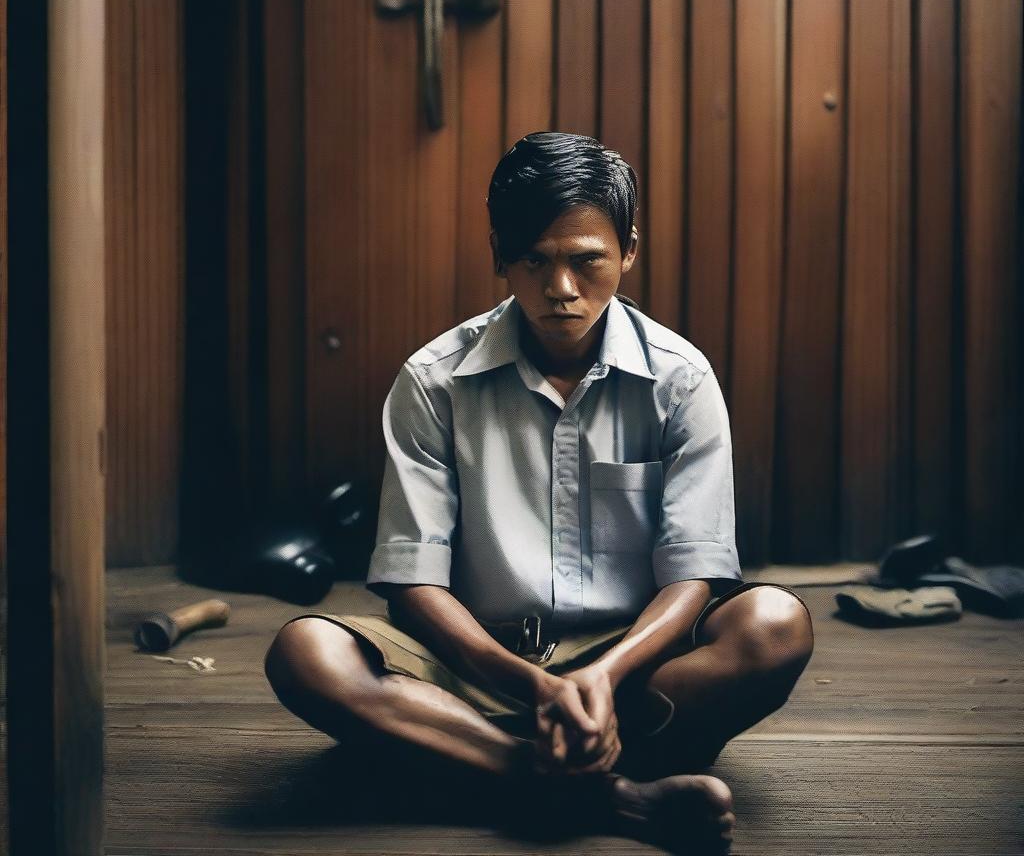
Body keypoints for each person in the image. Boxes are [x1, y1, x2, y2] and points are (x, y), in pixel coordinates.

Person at [264, 132, 814, 852]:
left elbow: (694, 577)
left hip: (635, 675)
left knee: (775, 624)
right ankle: (615, 799)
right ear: (499, 255)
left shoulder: (681, 380)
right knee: (306, 653)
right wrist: (536, 687)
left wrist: (600, 678)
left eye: (587, 259)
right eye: (534, 260)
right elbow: (413, 585)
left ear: (628, 251)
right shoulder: (433, 382)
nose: (561, 288)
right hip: (474, 670)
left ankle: (471, 762)